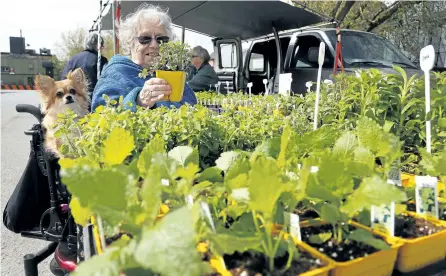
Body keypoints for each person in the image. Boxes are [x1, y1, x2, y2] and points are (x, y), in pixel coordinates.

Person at [90, 4, 197, 112]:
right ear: (130, 42)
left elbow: (193, 105)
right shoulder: (115, 74)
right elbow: (100, 113)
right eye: (145, 38)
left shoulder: (173, 74)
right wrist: (138, 101)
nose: (154, 45)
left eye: (161, 39)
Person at [62, 33, 108, 103]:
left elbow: (64, 81)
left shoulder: (73, 60)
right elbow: (106, 82)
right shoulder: (101, 60)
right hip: (94, 102)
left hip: (75, 102)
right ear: (99, 46)